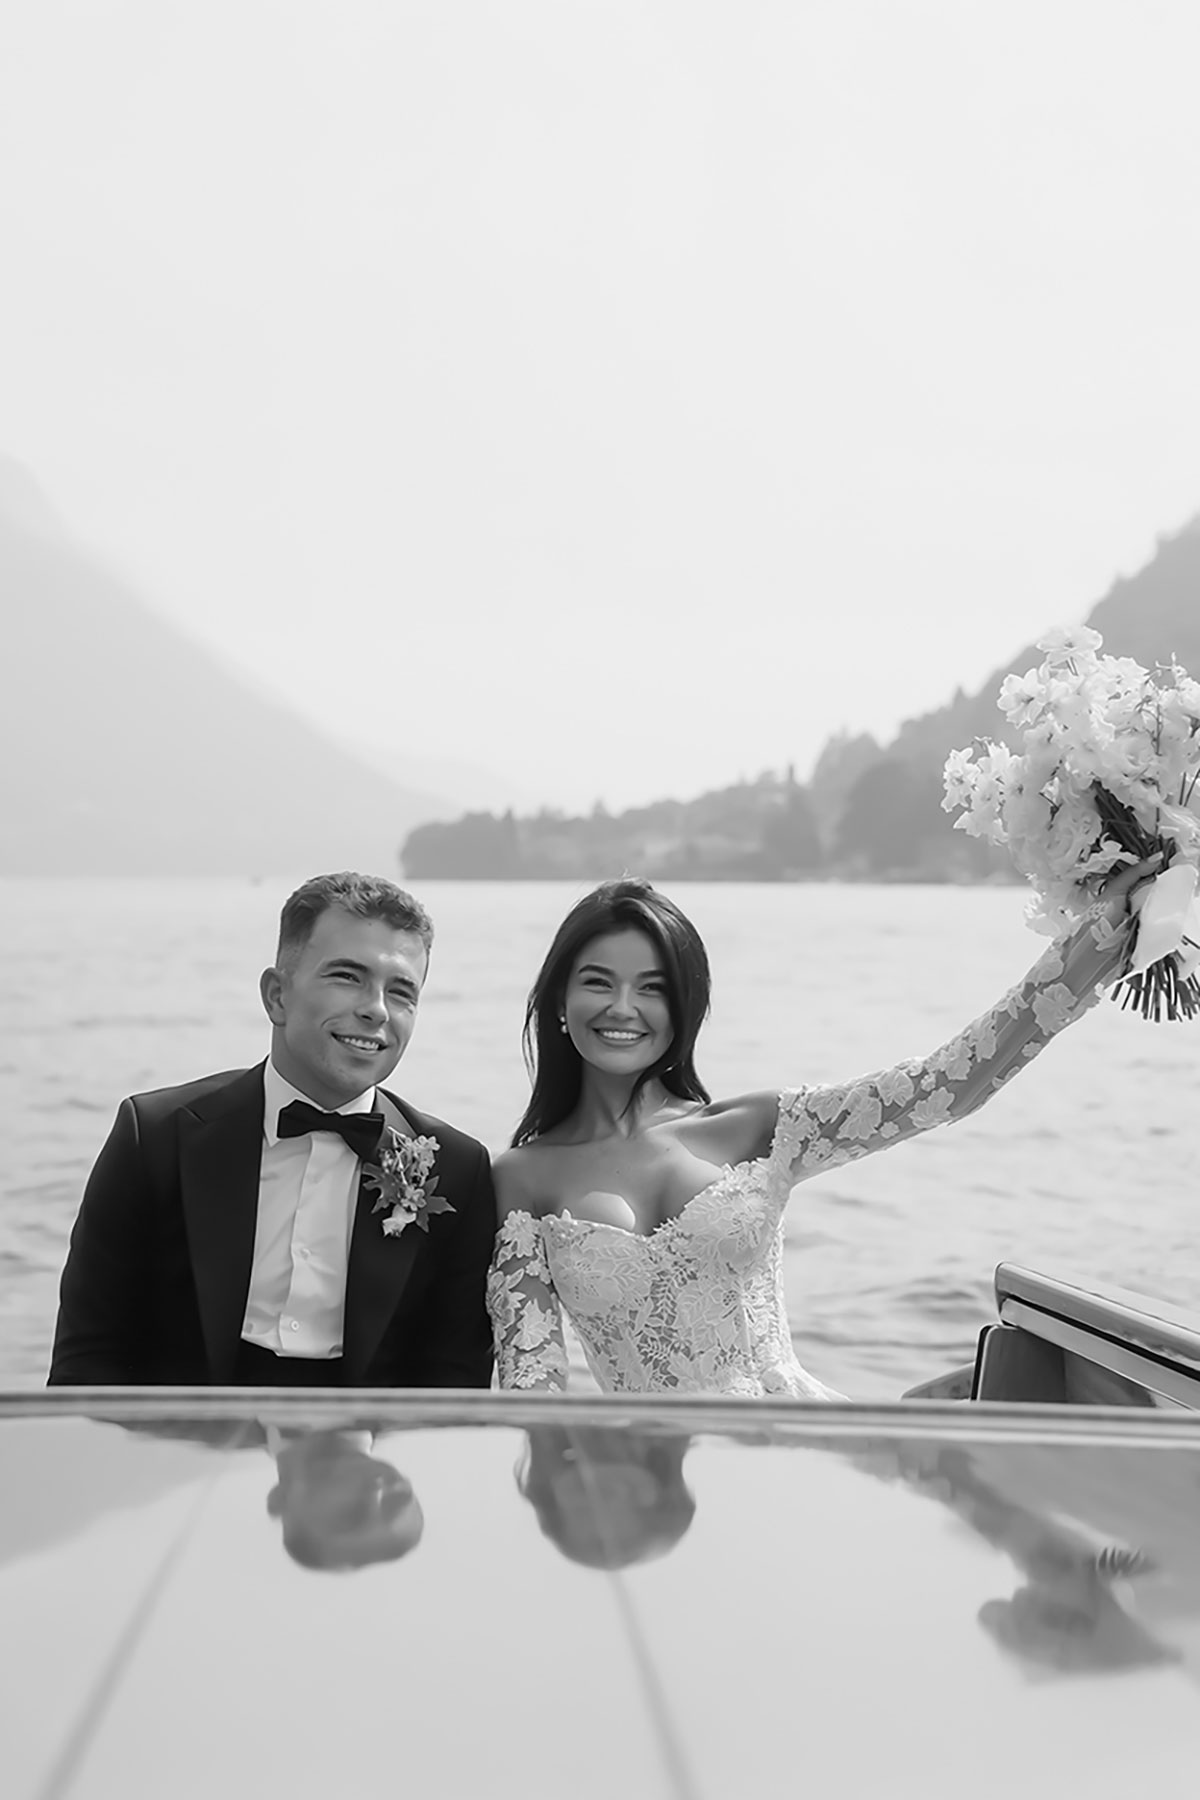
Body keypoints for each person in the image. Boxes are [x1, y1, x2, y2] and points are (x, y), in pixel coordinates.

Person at [486, 861, 1158, 1396]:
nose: (623, 1009)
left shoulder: (758, 1127)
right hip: (651, 1493)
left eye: (653, 988)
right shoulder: (522, 1177)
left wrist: (1098, 937)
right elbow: (530, 1385)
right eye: (598, 983)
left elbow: (949, 1085)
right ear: (560, 1002)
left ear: (683, 1007)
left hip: (803, 1449)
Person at [48, 872, 496, 1388]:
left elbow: (453, 1382)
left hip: (366, 1459)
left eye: (401, 991)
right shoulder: (156, 1135)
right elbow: (89, 1351)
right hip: (186, 1450)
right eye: (347, 976)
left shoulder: (457, 1169)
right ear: (276, 996)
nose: (375, 1009)